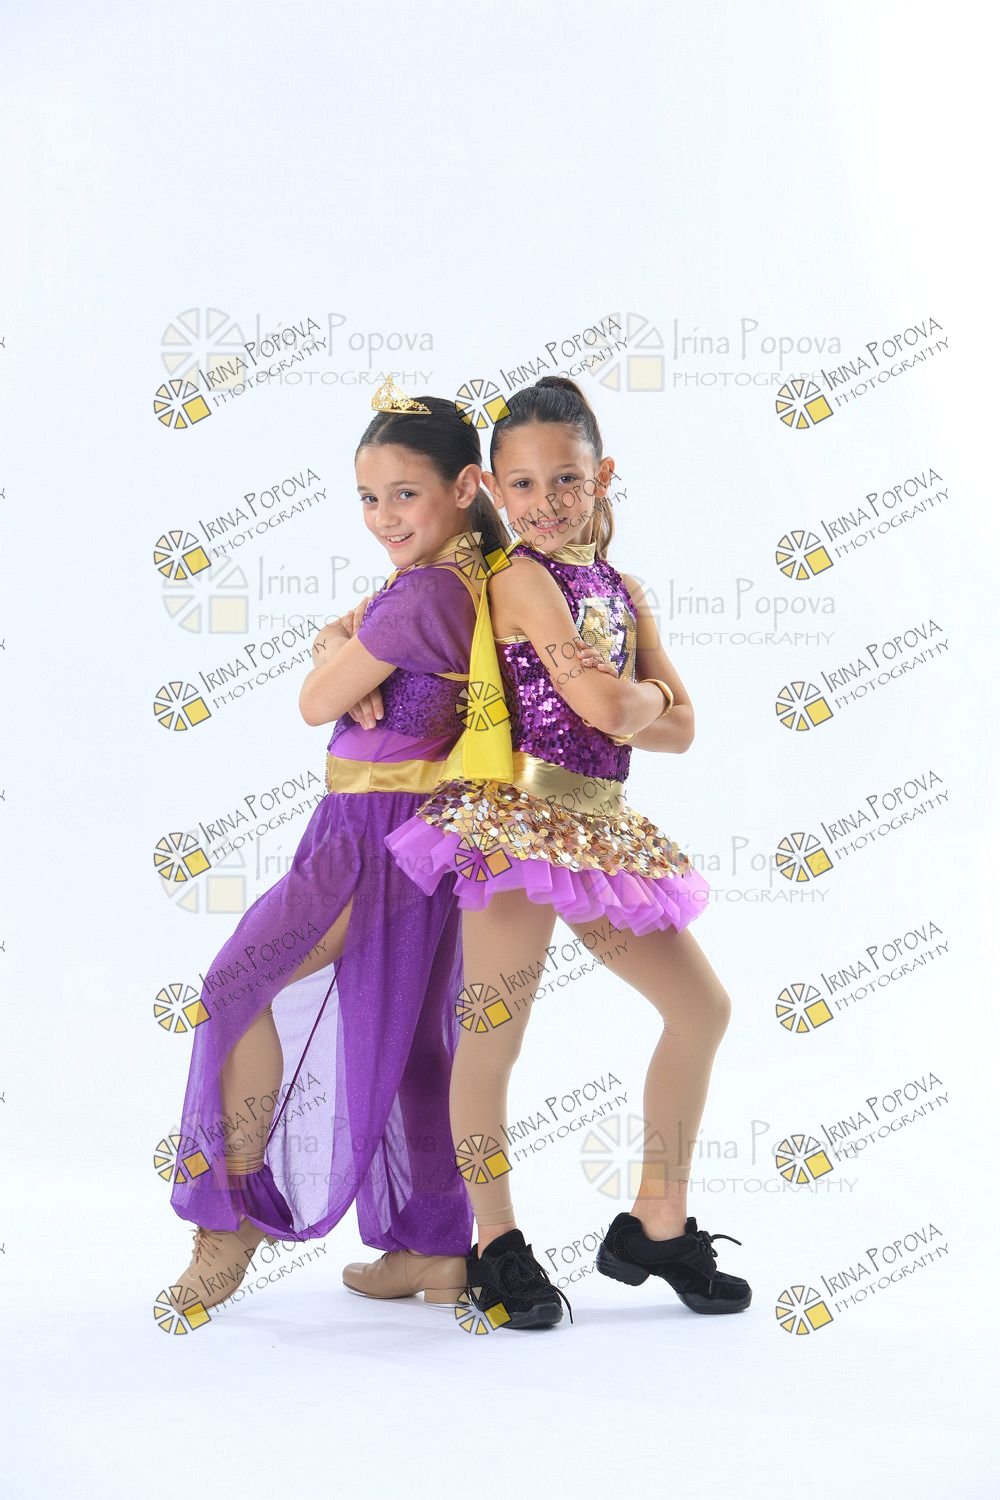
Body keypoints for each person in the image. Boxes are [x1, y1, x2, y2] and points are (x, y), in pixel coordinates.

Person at [377, 376, 752, 1329]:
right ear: (496, 491)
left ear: (603, 476)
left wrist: (641, 704)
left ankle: (657, 1221)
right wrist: (644, 701)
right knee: (493, 1035)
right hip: (515, 826)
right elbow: (607, 708)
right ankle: (495, 1242)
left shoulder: (621, 590)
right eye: (523, 485)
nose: (545, 503)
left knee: (701, 1009)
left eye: (566, 480)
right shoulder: (520, 579)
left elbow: (684, 730)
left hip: (599, 830)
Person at [167, 379, 512, 1314]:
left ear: (465, 487)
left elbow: (314, 703)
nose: (384, 516)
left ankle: (230, 1222)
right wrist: (338, 643)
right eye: (368, 497)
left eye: (405, 494)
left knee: (235, 987)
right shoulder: (465, 582)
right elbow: (343, 668)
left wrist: (334, 660)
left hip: (370, 839)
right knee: (414, 1043)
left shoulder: (423, 594)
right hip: (423, 840)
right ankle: (433, 1246)